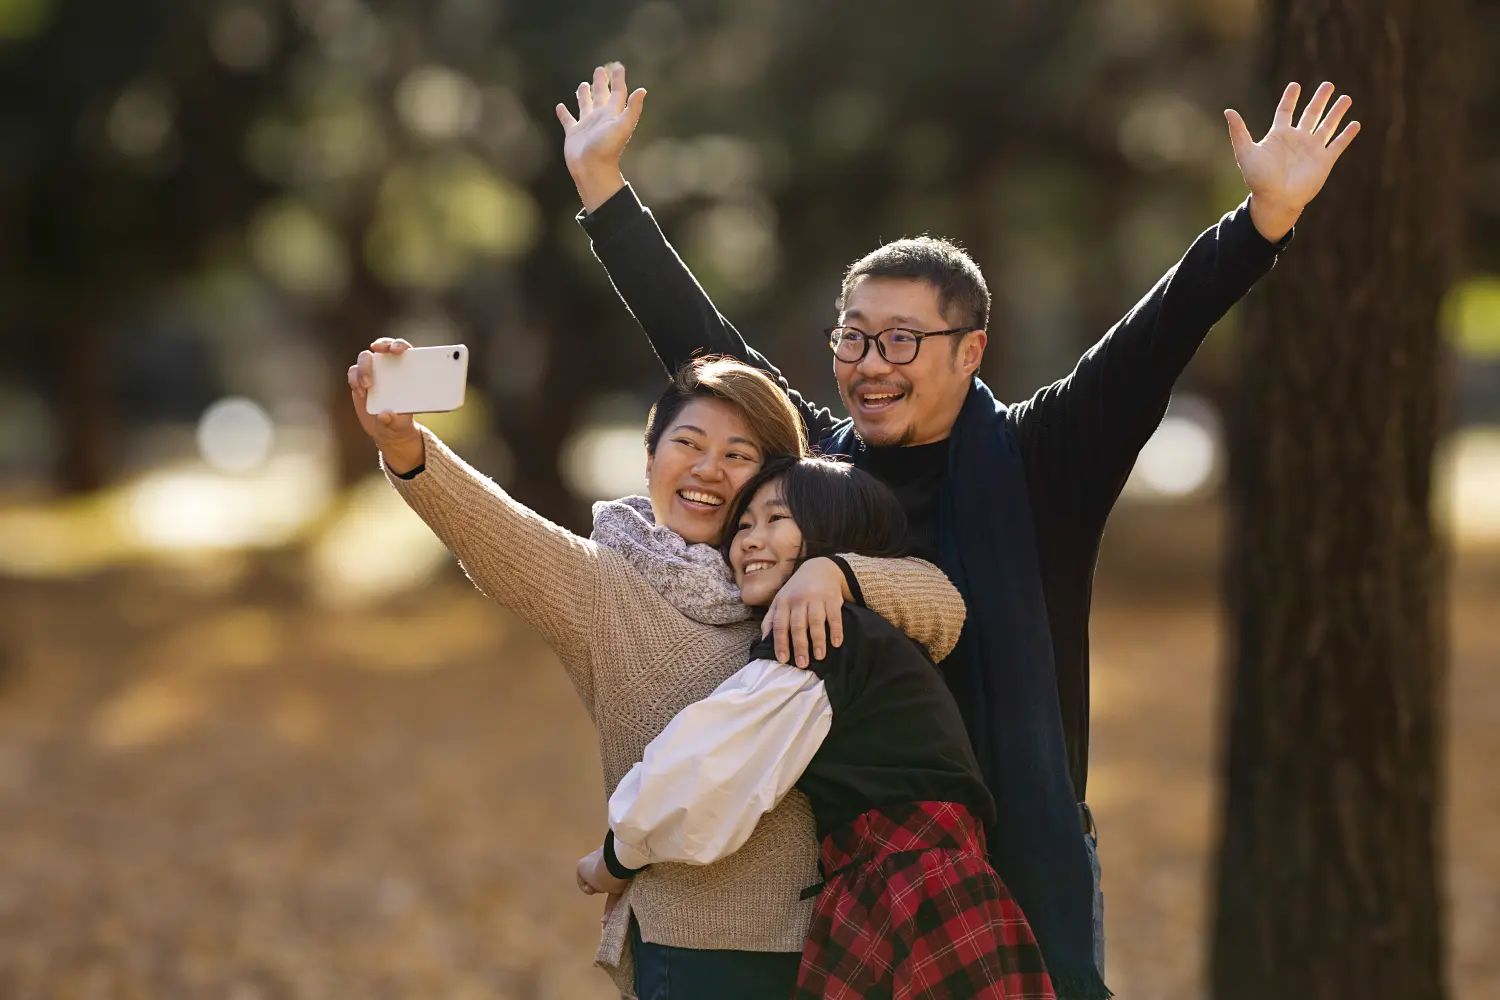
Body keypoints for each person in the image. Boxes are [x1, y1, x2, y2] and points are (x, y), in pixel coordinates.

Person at [556, 63, 1361, 998]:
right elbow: (703, 343)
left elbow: (1155, 338)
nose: (870, 363)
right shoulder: (816, 470)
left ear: (970, 349)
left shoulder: (1041, 460)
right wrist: (603, 190)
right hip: (851, 884)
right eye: (853, 336)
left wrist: (1260, 221)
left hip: (1023, 866)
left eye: (902, 339)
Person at [347, 345, 966, 999]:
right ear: (650, 459)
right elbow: (492, 531)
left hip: (846, 941)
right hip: (699, 951)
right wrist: (407, 447)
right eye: (689, 444)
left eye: (738, 455)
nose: (708, 469)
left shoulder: (794, 570)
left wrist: (834, 573)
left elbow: (943, 609)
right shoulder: (606, 590)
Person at [577, 455, 1055, 999]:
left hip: (910, 891)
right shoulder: (868, 633)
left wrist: (618, 856)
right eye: (744, 525)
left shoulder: (820, 632)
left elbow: (711, 767)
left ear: (833, 533)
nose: (750, 541)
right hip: (920, 880)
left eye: (776, 519)